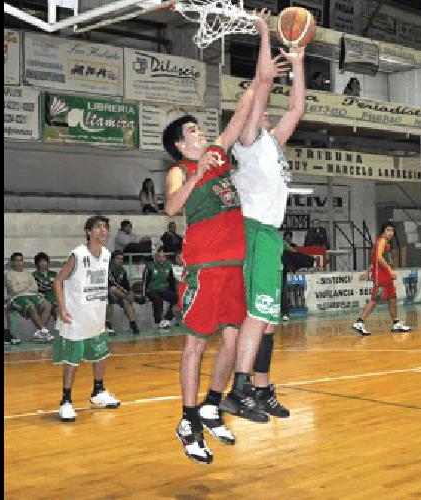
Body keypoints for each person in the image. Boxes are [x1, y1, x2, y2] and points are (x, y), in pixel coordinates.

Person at [160, 9, 278, 464]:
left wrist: (263, 40)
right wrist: (198, 174)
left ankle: (211, 404)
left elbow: (249, 100)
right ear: (180, 145)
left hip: (234, 266)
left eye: (198, 128)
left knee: (231, 343)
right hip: (205, 267)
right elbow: (172, 208)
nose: (200, 132)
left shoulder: (216, 152)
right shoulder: (180, 169)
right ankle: (187, 419)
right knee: (196, 344)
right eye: (192, 132)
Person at [225, 38, 305, 421]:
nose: (266, 113)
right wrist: (263, 36)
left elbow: (298, 107)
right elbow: (259, 88)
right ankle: (238, 390)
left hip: (272, 235)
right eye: (259, 111)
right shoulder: (247, 143)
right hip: (254, 231)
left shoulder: (272, 144)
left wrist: (299, 61)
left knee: (269, 321)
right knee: (257, 314)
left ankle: (261, 388)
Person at [51, 215, 123, 423]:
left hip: (96, 319)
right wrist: (62, 307)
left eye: (106, 227)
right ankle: (66, 401)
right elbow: (58, 280)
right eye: (99, 227)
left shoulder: (107, 255)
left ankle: (98, 392)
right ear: (89, 232)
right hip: (75, 319)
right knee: (71, 362)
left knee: (101, 356)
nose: (103, 230)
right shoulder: (78, 254)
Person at [352, 222, 412, 335]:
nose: (390, 233)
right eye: (388, 230)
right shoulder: (382, 241)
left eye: (392, 230)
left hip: (385, 275)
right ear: (383, 231)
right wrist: (390, 270)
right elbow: (379, 258)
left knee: (393, 298)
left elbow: (374, 260)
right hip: (381, 275)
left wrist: (366, 272)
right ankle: (359, 322)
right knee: (375, 299)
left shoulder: (384, 243)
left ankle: (396, 323)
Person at [5, 252, 53, 342]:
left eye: (21, 260)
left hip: (33, 295)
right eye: (16, 260)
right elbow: (14, 290)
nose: (19, 263)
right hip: (17, 298)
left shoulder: (28, 273)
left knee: (48, 304)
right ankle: (43, 332)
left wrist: (21, 286)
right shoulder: (8, 274)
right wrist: (27, 286)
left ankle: (40, 333)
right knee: (31, 306)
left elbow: (35, 288)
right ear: (12, 262)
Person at [106, 249, 143, 335]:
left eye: (122, 259)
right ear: (113, 259)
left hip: (120, 294)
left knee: (128, 302)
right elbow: (113, 282)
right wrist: (127, 293)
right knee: (113, 289)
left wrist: (129, 292)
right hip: (107, 293)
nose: (120, 260)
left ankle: (133, 325)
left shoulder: (123, 270)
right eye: (118, 258)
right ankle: (133, 298)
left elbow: (126, 284)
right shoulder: (108, 268)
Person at [143, 248, 178, 329]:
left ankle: (167, 319)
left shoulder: (169, 265)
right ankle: (158, 321)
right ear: (156, 257)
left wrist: (173, 292)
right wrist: (144, 295)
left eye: (163, 257)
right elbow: (144, 282)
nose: (161, 258)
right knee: (157, 299)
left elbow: (172, 281)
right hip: (152, 290)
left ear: (165, 257)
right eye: (159, 257)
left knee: (176, 298)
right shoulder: (150, 266)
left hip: (164, 290)